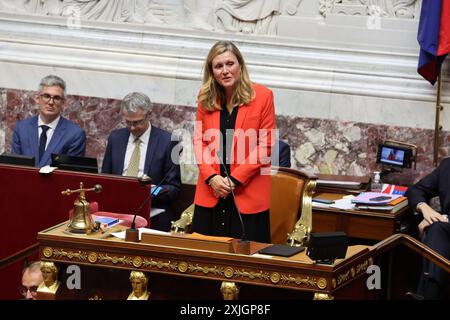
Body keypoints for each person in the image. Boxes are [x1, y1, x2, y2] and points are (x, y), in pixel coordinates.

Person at [192, 40, 276, 243]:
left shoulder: (263, 96)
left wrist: (234, 179)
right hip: (211, 192)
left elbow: (265, 145)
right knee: (206, 261)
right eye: (218, 66)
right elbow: (199, 140)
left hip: (248, 194)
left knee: (247, 266)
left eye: (230, 64)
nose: (225, 71)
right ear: (211, 71)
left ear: (240, 65)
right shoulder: (205, 97)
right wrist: (212, 177)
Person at [101, 92, 181, 231]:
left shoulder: (168, 142)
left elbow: (174, 188)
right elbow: (105, 179)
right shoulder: (115, 138)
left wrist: (152, 191)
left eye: (137, 122)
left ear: (149, 114)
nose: (132, 128)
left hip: (152, 211)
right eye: (128, 122)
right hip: (117, 211)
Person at [11, 75, 86, 167]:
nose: (51, 102)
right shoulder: (22, 128)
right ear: (37, 98)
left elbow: (71, 174)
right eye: (46, 96)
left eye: (56, 98)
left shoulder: (75, 135)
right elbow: (14, 167)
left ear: (63, 102)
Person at [406, 158, 450, 299]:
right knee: (434, 228)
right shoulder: (447, 165)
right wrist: (425, 208)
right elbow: (416, 189)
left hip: (445, 225)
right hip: (445, 228)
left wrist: (443, 218)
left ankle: (427, 293)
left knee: (437, 227)